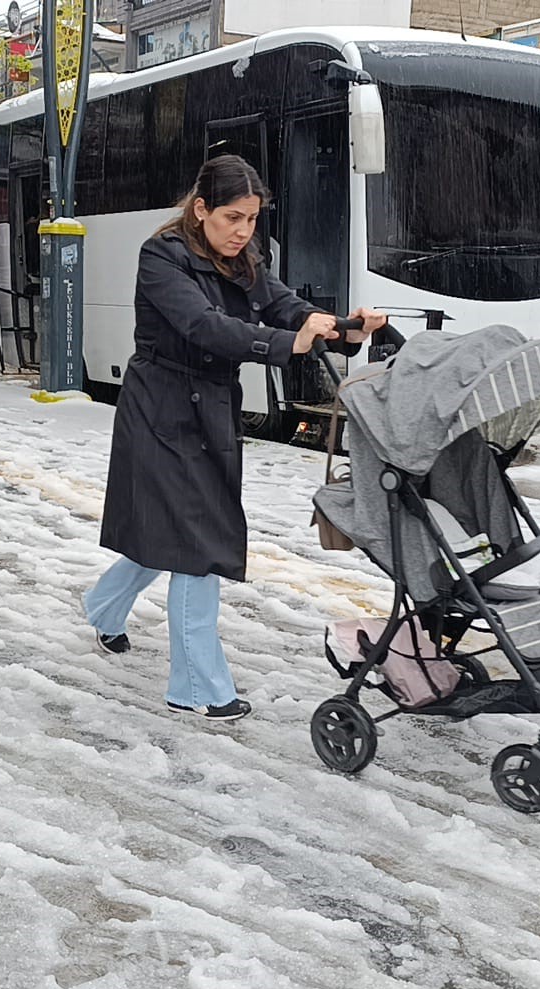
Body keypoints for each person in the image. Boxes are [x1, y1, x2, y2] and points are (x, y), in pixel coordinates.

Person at [86, 155, 386, 719]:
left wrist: (342, 326)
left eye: (251, 218)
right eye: (231, 218)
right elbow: (202, 326)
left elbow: (285, 305)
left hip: (209, 411)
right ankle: (197, 688)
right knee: (194, 545)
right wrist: (282, 344)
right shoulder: (162, 258)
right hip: (161, 410)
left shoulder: (247, 258)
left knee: (168, 534)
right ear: (200, 210)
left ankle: (102, 608)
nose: (243, 230)